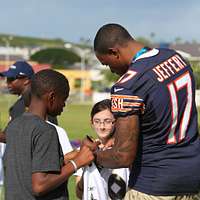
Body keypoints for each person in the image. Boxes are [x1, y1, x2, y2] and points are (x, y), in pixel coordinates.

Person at [83, 23, 200, 200]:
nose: (112, 71)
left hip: (154, 182)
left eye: (107, 64)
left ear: (114, 52)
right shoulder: (175, 58)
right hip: (192, 177)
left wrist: (92, 155)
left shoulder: (128, 85)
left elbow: (122, 156)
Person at [3, 69, 95, 200]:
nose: (64, 104)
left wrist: (75, 155)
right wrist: (77, 162)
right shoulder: (45, 130)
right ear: (52, 97)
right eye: (64, 99)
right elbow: (40, 186)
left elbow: (31, 165)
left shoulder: (14, 125)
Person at [76, 99, 130, 200]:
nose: (102, 126)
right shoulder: (84, 150)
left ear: (116, 122)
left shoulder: (126, 149)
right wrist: (87, 168)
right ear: (91, 123)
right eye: (97, 121)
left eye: (107, 121)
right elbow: (79, 194)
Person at [0, 60, 58, 142]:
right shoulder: (39, 99)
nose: (7, 83)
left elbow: (14, 136)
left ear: (26, 80)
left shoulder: (26, 104)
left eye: (11, 79)